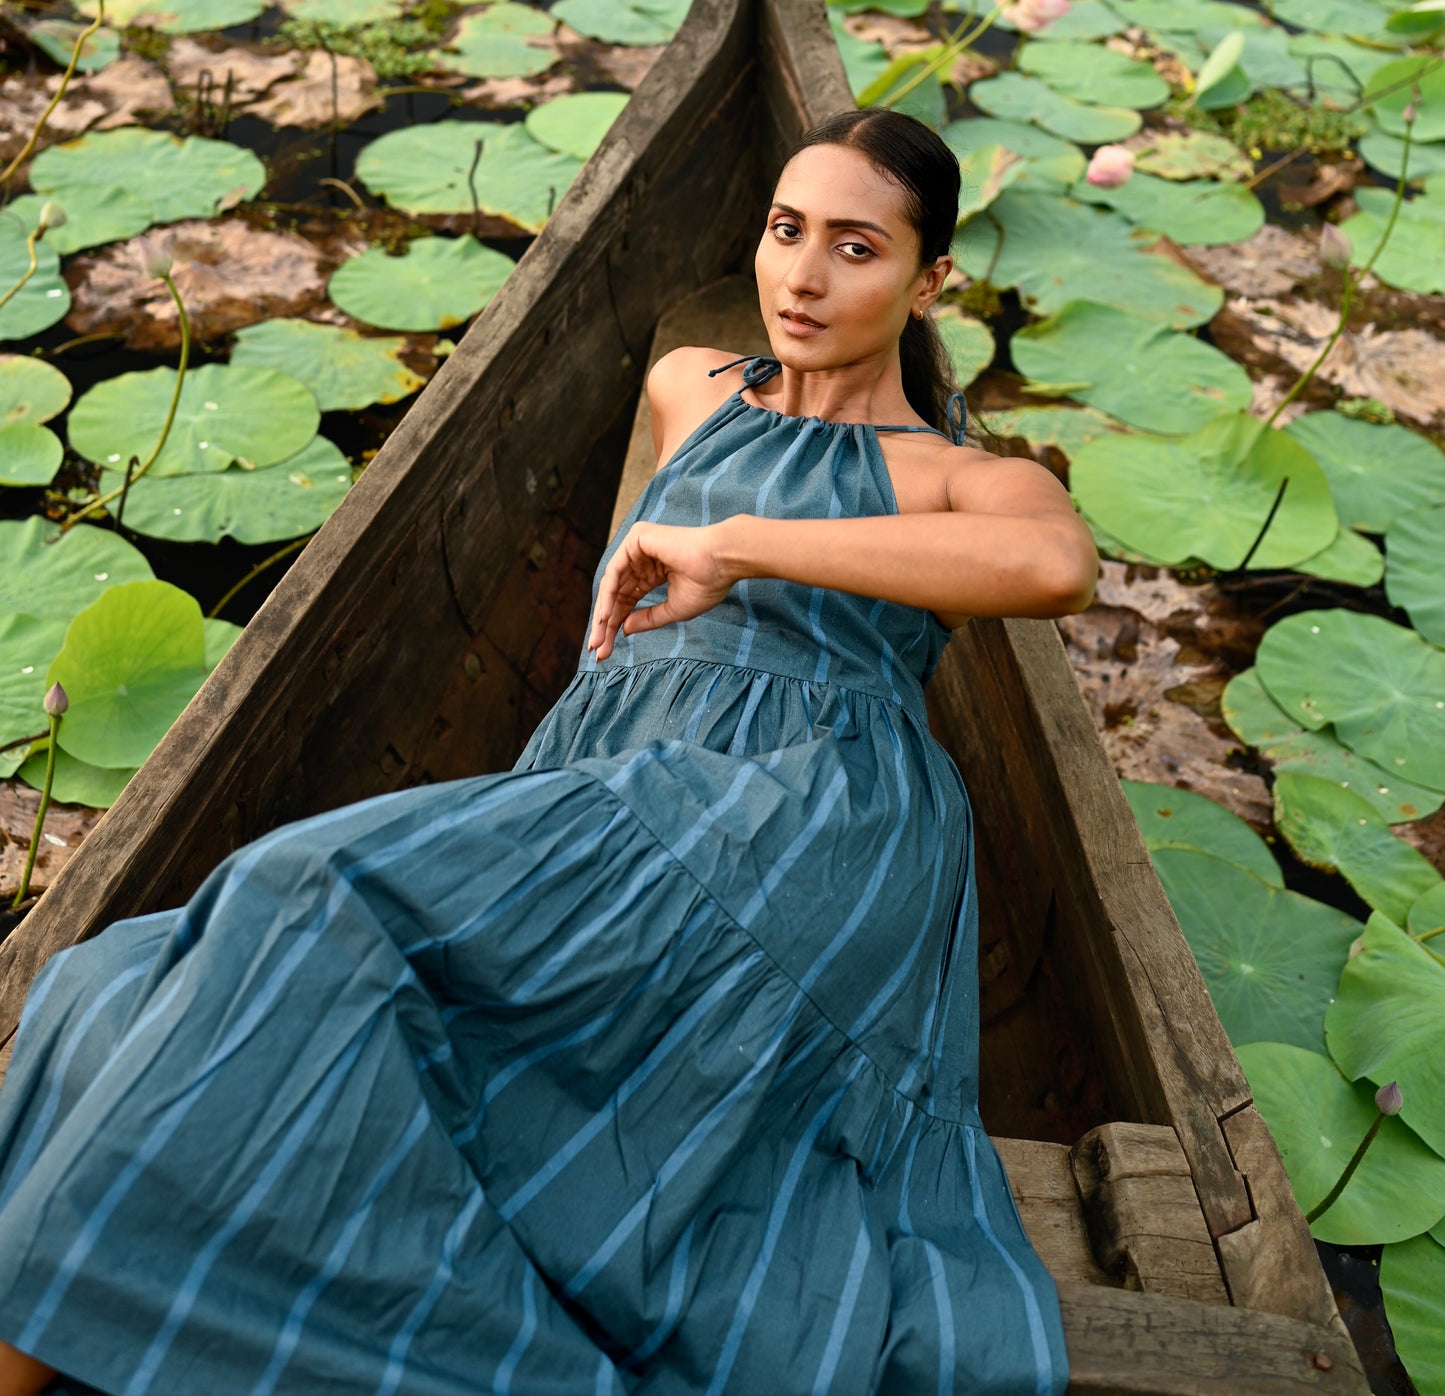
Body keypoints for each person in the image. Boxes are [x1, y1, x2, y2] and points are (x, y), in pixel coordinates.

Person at [0, 106, 1097, 1396]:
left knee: (302, 895)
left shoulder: (947, 471)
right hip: (622, 765)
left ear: (932, 279)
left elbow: (1055, 564)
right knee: (121, 982)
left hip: (809, 812)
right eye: (786, 231)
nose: (802, 278)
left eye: (856, 249)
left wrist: (736, 543)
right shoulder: (692, 381)